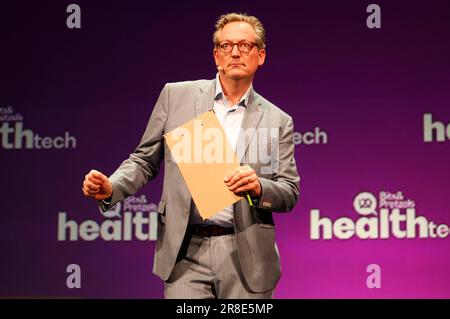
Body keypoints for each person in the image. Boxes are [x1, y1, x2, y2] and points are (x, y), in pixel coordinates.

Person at [82, 12, 300, 299]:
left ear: (260, 56)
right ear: (216, 56)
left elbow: (289, 191)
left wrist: (259, 187)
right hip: (186, 252)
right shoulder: (176, 97)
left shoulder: (276, 120)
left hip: (246, 255)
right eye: (226, 46)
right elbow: (144, 160)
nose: (235, 52)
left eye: (245, 46)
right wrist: (113, 187)